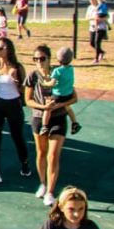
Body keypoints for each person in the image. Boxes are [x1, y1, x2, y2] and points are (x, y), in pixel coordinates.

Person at [25, 45, 75, 207]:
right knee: (41, 152)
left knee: (53, 155)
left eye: (42, 58)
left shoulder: (59, 72)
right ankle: (43, 183)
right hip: (39, 118)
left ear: (49, 58)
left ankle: (50, 192)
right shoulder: (32, 75)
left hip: (58, 118)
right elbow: (28, 100)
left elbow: (73, 97)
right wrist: (43, 107)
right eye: (35, 59)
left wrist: (57, 106)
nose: (39, 62)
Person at [0, 38, 31, 187]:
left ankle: (24, 163)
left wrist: (16, 82)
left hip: (13, 104)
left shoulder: (17, 68)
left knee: (17, 136)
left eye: (1, 48)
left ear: (9, 49)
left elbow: (24, 90)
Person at [39, 46, 82, 141]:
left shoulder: (57, 71)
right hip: (68, 94)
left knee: (48, 109)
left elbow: (52, 83)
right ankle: (75, 123)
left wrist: (45, 83)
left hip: (58, 95)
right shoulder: (71, 68)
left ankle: (44, 126)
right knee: (67, 108)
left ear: (58, 59)